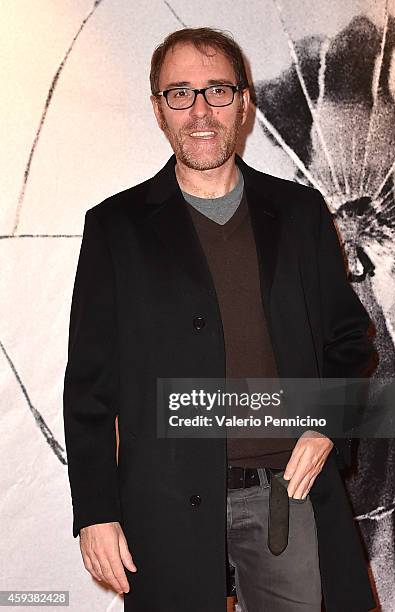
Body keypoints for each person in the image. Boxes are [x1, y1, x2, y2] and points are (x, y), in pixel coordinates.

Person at [63, 27, 378, 612]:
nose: (200, 110)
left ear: (245, 103)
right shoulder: (116, 227)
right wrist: (96, 511)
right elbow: (88, 386)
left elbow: (349, 338)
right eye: (179, 93)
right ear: (158, 109)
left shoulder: (300, 212)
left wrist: (329, 422)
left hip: (287, 494)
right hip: (163, 503)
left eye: (218, 90)